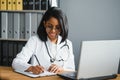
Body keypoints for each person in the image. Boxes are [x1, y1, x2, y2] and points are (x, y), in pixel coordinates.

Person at [12, 7, 75, 74]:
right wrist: (31, 68)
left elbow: (72, 70)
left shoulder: (68, 44)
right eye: (49, 26)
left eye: (57, 27)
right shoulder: (34, 40)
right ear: (44, 24)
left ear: (63, 27)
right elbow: (16, 62)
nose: (53, 31)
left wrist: (61, 69)